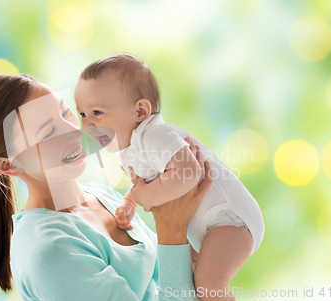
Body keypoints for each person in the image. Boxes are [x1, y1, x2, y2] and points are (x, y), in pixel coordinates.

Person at [0, 73, 213, 300]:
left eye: (65, 112)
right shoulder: (51, 254)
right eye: (48, 133)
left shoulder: (100, 195)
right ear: (6, 165)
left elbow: (173, 274)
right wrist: (171, 228)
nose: (74, 131)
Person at [74, 53, 265, 300]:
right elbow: (148, 180)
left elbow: (188, 173)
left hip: (230, 220)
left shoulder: (156, 136)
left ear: (141, 111)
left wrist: (144, 195)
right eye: (82, 115)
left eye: (97, 112)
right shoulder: (128, 149)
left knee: (209, 284)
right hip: (207, 225)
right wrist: (131, 201)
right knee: (190, 279)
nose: (87, 125)